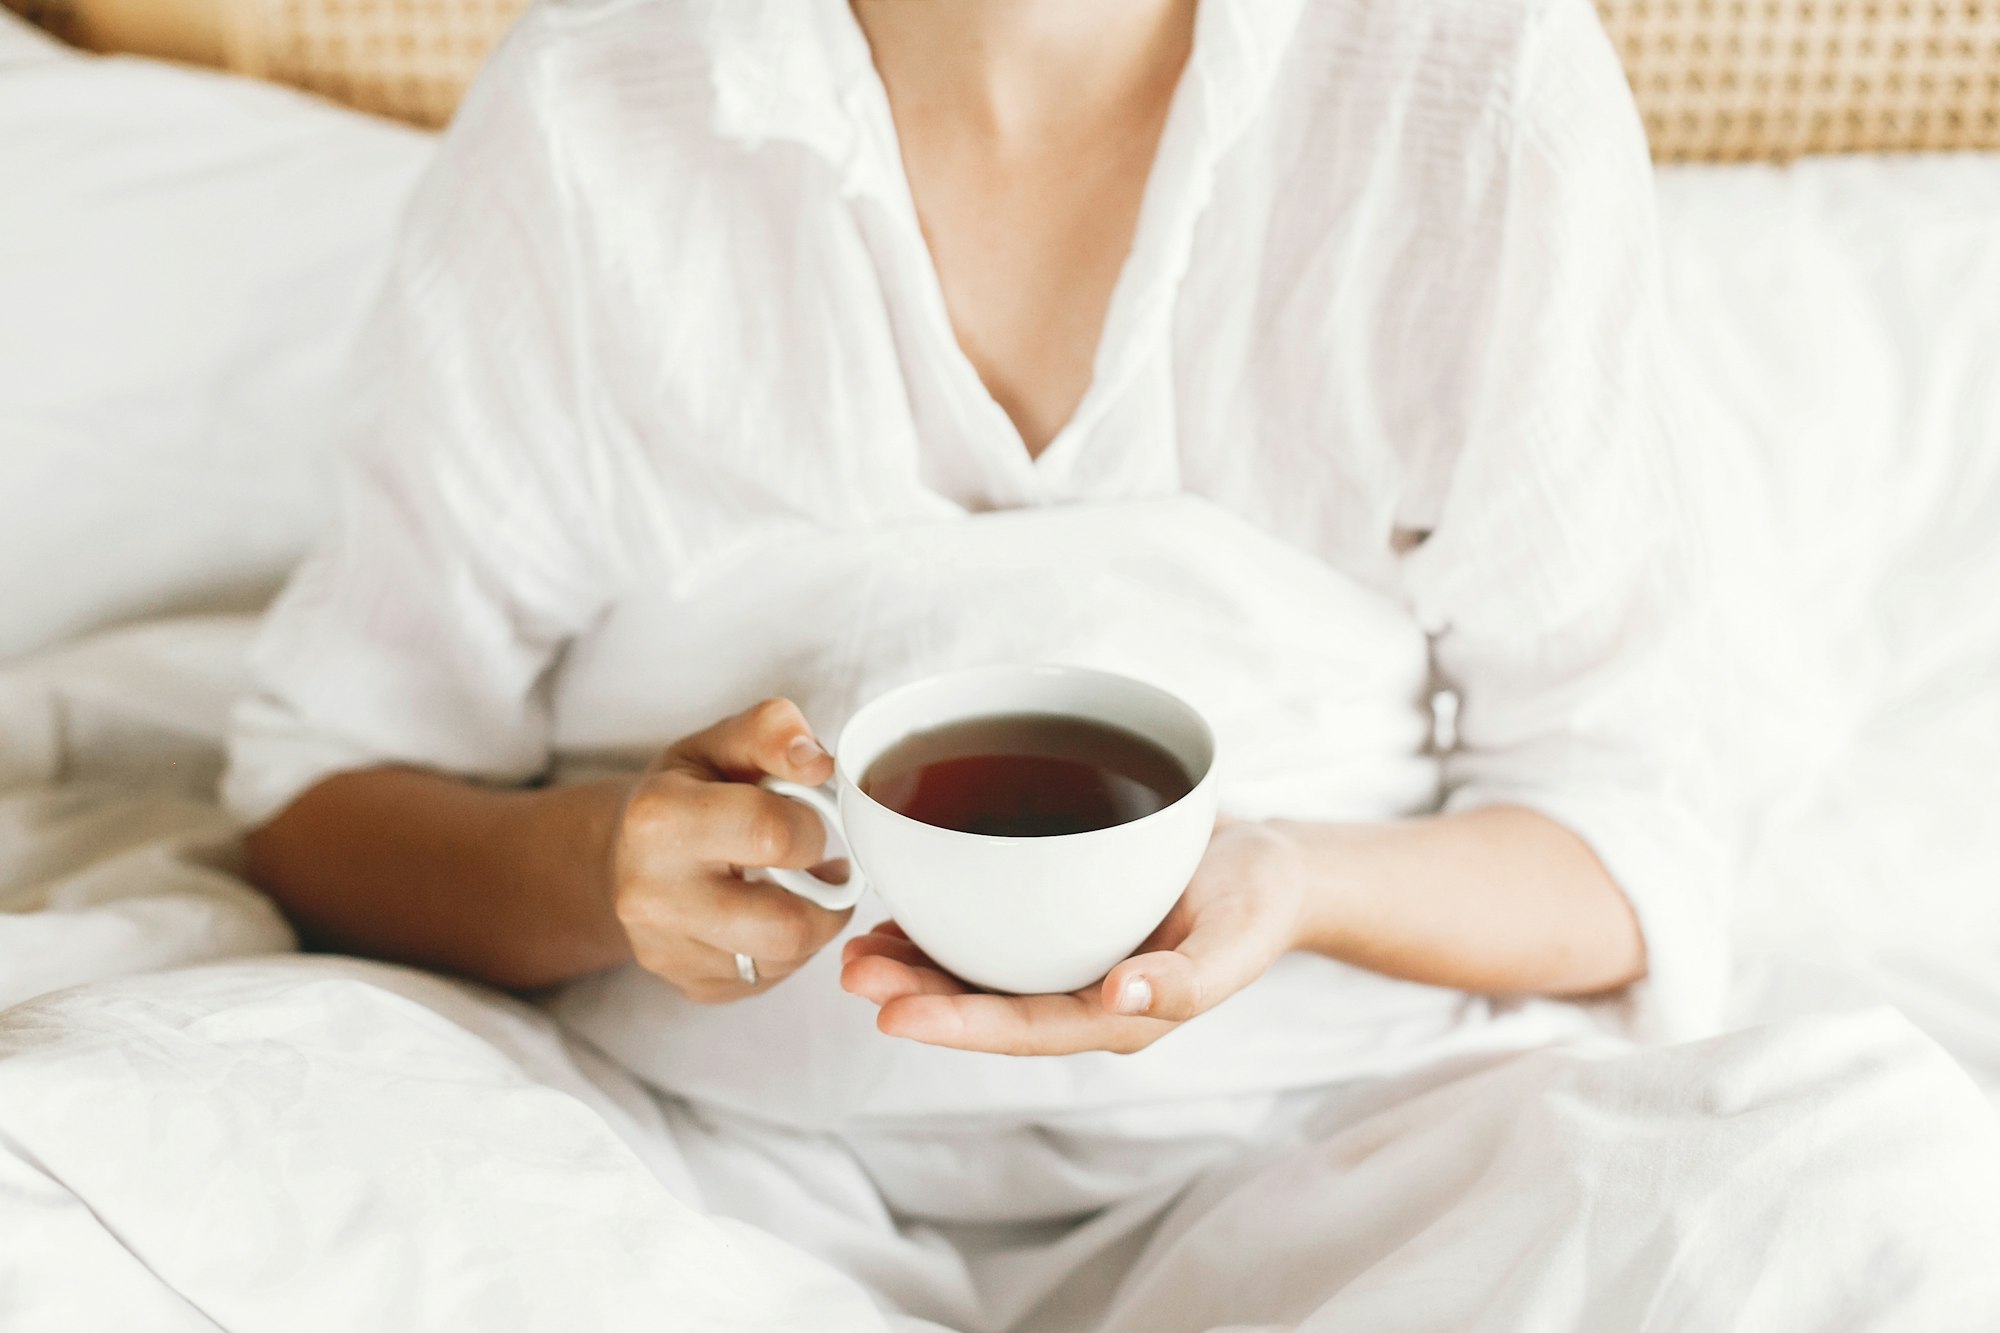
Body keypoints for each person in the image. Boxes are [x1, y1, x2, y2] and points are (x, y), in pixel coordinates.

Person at [223, 0, 1777, 1324]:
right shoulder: (600, 99)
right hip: (679, 1175)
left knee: (1838, 1208)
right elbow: (317, 799)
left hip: (1360, 1165)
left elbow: (1632, 837)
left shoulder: (1466, 78)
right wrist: (602, 869)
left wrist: (1298, 883)